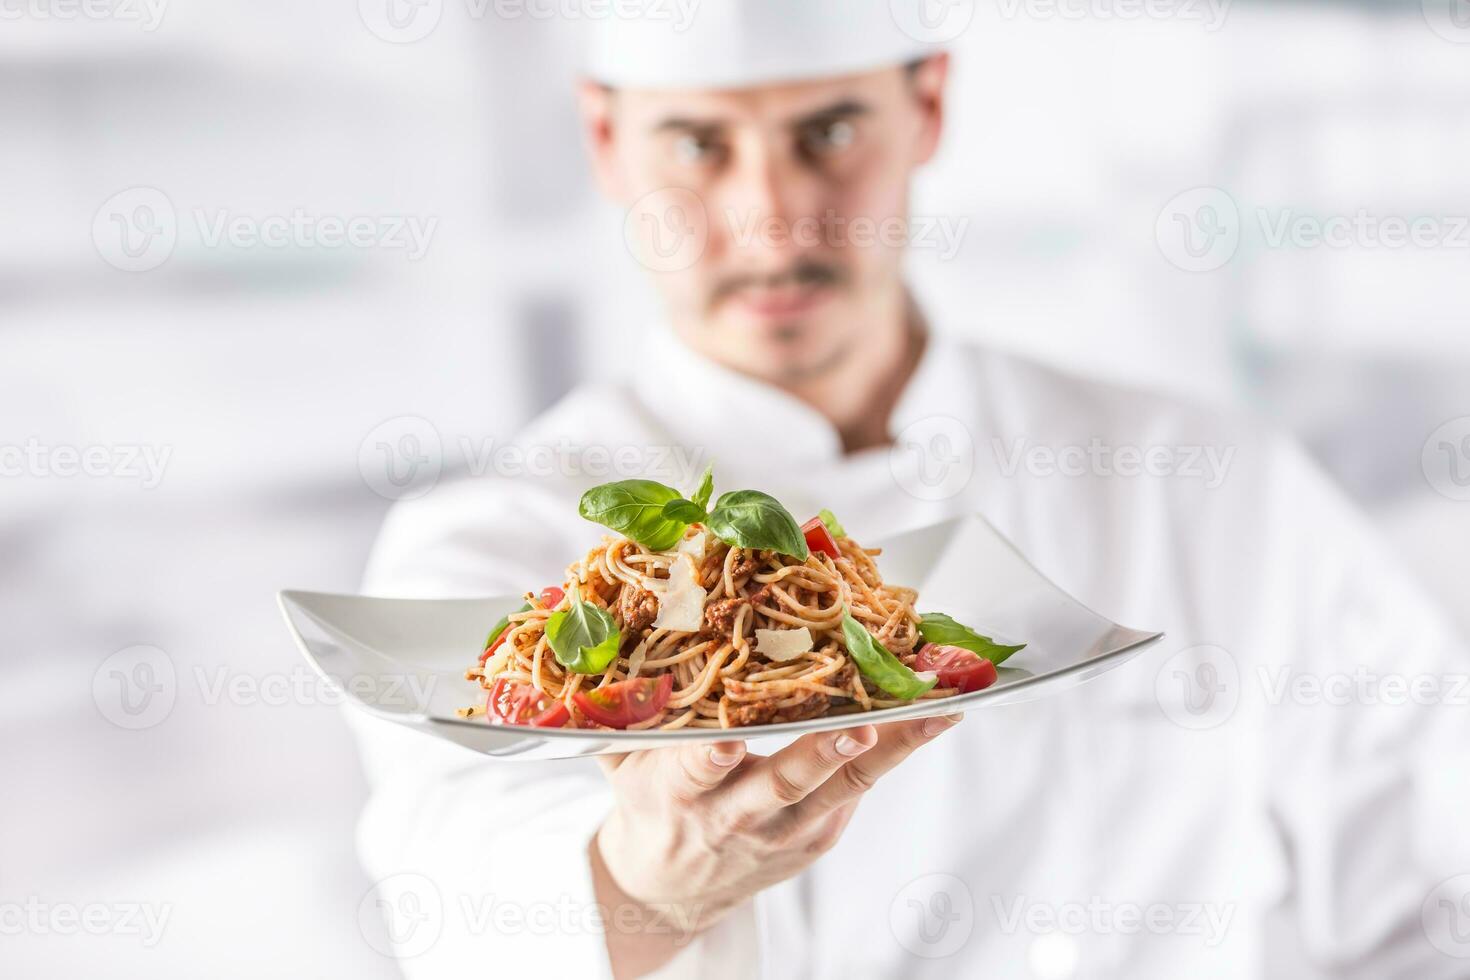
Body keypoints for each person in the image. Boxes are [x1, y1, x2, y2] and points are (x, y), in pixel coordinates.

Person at [348, 4, 1469, 978]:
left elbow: (1431, 888)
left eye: (828, 133)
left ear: (928, 105)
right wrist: (654, 880)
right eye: (696, 143)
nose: (772, 218)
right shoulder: (490, 543)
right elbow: (462, 901)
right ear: (606, 139)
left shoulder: (1211, 487)